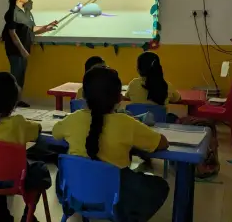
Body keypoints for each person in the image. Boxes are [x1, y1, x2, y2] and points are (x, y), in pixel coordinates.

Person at [53, 66, 169, 221]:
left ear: (84, 96)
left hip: (75, 195)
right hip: (115, 199)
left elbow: (55, 133)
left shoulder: (72, 120)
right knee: (159, 186)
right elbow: (162, 143)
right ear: (119, 98)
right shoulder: (126, 123)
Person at [0, 72, 52, 222]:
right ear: (13, 100)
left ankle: (1, 213)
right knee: (40, 169)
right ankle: (27, 214)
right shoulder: (18, 123)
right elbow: (37, 130)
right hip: (17, 180)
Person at [1, 0, 58, 107]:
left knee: (21, 76)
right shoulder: (12, 13)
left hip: (24, 49)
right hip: (15, 50)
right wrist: (22, 50)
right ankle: (11, 102)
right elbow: (12, 33)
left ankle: (18, 100)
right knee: (16, 76)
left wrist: (47, 27)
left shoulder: (25, 13)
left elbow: (32, 29)